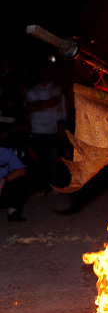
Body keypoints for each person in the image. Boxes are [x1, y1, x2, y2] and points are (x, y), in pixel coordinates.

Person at [25, 63, 67, 194]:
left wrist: (62, 126)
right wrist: (49, 103)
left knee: (53, 160)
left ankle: (53, 186)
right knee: (38, 160)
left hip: (52, 130)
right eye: (42, 71)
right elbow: (29, 107)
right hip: (36, 129)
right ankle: (39, 187)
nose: (44, 74)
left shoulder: (57, 90)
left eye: (46, 71)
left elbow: (62, 110)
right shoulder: (32, 91)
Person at [0, 145, 29, 222]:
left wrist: (4, 180)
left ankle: (13, 212)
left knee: (22, 180)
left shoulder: (5, 152)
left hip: (2, 188)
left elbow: (22, 170)